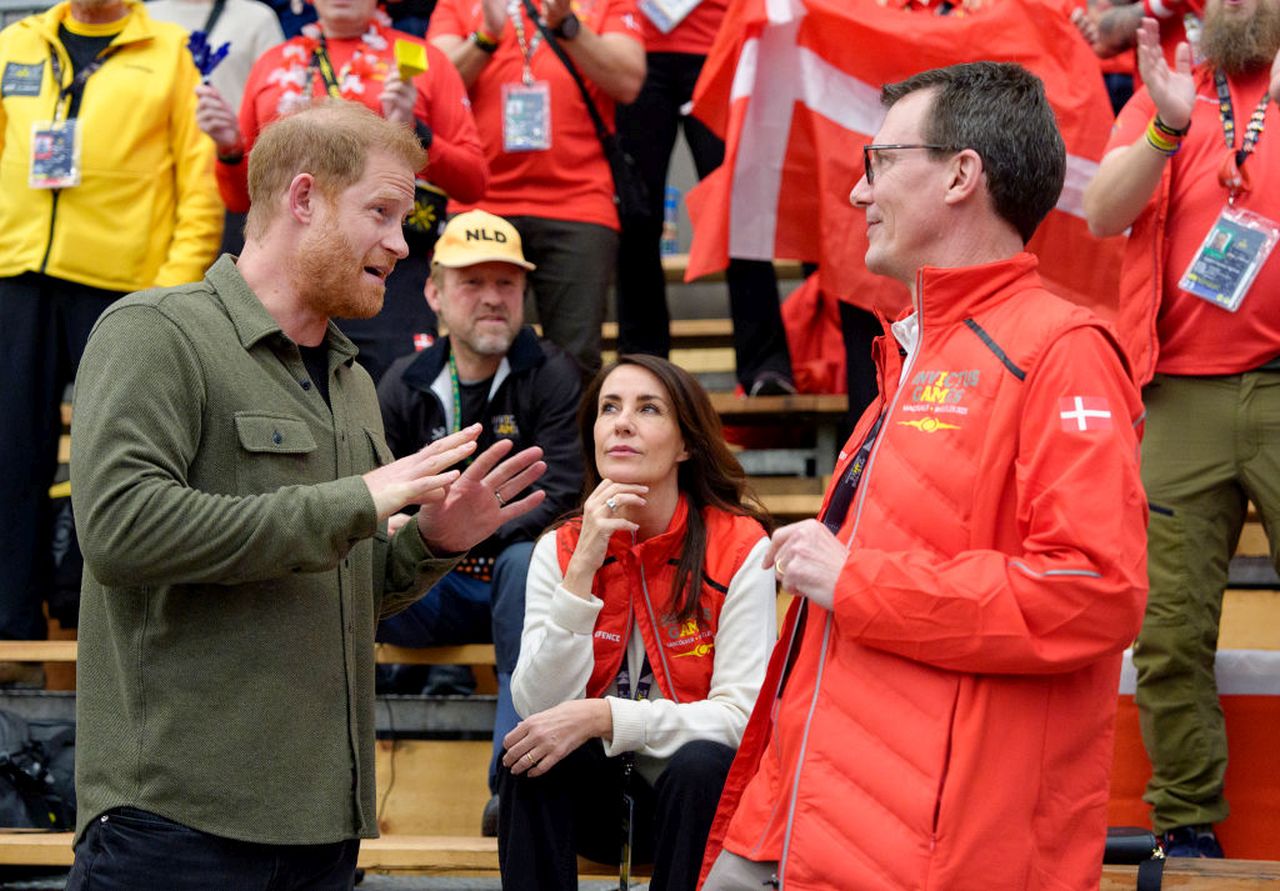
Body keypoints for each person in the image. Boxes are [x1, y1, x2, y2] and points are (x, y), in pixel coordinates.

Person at [65, 101, 547, 889]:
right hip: (176, 826)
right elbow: (121, 532)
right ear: (302, 198)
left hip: (323, 832)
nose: (401, 243)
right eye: (383, 213)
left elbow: (348, 577)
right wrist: (356, 497)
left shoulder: (352, 380)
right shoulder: (155, 332)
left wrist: (434, 542)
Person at [701, 62, 1148, 890]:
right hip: (795, 824)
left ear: (960, 174)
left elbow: (1092, 591)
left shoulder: (1061, 350)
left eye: (876, 164)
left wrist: (859, 579)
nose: (857, 195)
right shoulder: (910, 354)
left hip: (930, 852)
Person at [1082, 0, 1280, 858]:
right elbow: (1099, 211)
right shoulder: (1172, 88)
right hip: (1179, 395)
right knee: (1166, 631)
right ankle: (1187, 824)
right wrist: (1164, 127)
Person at [0, 0, 221, 682]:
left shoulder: (174, 51)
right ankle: (9, 635)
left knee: (117, 465)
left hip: (123, 288)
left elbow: (201, 183)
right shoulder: (17, 42)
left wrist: (168, 294)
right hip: (15, 276)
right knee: (9, 458)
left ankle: (114, 641)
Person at [497, 354, 776, 891]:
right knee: (528, 754)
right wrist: (582, 569)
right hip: (598, 801)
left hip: (698, 802)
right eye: (609, 408)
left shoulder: (740, 548)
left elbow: (744, 721)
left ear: (686, 444)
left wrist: (608, 717)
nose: (622, 422)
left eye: (648, 409)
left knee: (700, 765)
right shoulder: (559, 548)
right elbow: (538, 707)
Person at [375, 208, 584, 834]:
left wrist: (465, 527)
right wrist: (396, 530)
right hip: (425, 588)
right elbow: (378, 492)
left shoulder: (553, 375)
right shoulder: (403, 383)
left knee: (528, 564)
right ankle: (332, 785)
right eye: (473, 283)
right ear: (434, 294)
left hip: (513, 586)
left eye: (507, 284)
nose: (492, 298)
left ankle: (510, 788)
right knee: (339, 564)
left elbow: (565, 494)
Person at [195, 0, 489, 381]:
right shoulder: (275, 61)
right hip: (287, 277)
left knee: (386, 407)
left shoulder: (419, 58)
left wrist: (416, 130)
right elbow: (241, 200)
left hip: (387, 276)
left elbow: (473, 182)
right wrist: (231, 150)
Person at [428, 0, 645, 376]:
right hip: (480, 201)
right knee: (476, 350)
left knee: (576, 358)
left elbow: (628, 82)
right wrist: (485, 37)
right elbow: (434, 88)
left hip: (579, 203)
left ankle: (566, 438)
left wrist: (567, 25)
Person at [613, 3, 795, 396]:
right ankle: (643, 366)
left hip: (722, 41)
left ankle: (766, 365)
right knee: (636, 217)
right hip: (631, 42)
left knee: (740, 210)